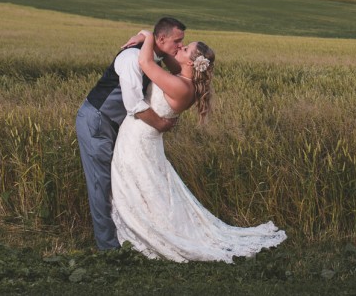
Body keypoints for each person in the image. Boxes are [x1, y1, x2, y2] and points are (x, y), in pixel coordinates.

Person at [110, 29, 287, 262]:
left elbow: (144, 61)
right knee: (148, 186)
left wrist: (147, 35)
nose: (180, 48)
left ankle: (148, 232)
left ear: (192, 62)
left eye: (185, 49)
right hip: (143, 138)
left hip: (139, 139)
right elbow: (166, 61)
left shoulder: (179, 86)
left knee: (139, 184)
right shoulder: (183, 80)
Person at [76, 17, 186, 250]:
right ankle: (109, 248)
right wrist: (161, 125)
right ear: (162, 38)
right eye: (177, 41)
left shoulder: (153, 56)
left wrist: (147, 36)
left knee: (120, 181)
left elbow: (179, 69)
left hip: (116, 125)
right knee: (101, 184)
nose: (180, 46)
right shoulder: (130, 58)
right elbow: (134, 105)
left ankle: (129, 238)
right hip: (97, 121)